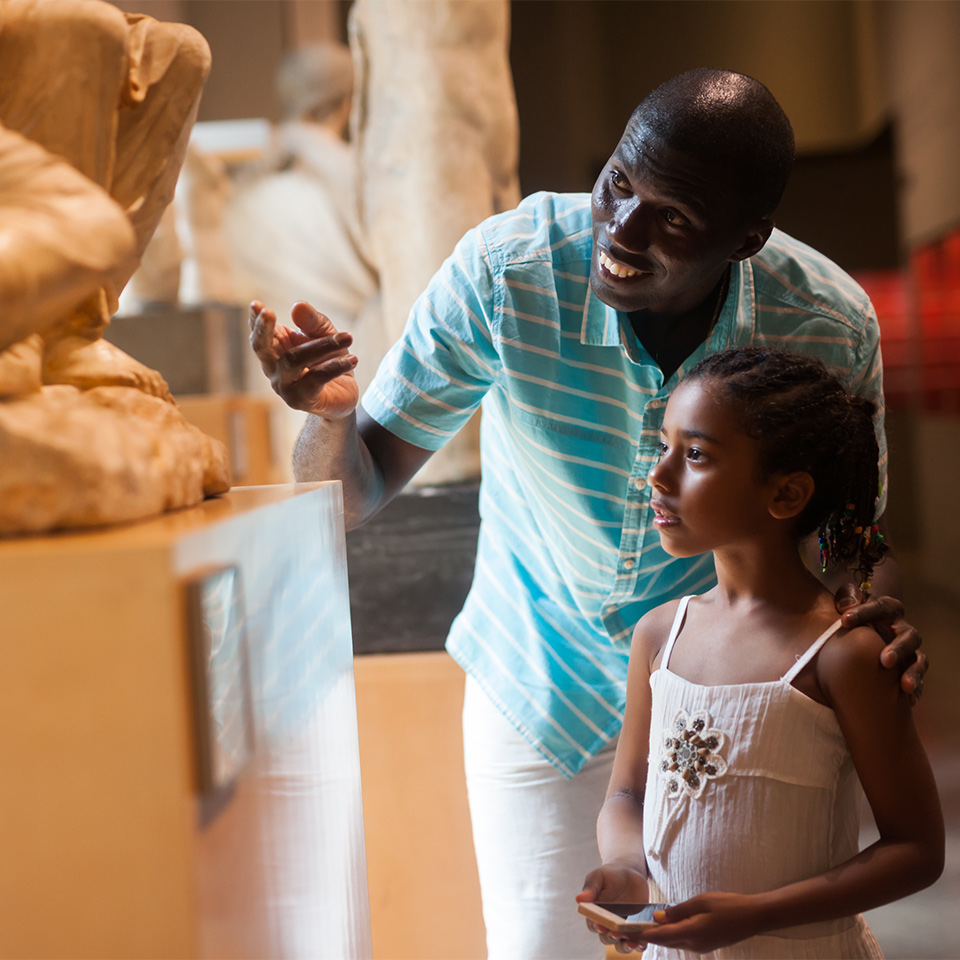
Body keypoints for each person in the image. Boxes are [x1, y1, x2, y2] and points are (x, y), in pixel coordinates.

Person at [250, 69, 928, 958]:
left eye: (673, 218)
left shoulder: (826, 322)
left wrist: (860, 613)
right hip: (540, 675)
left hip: (728, 688)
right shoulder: (508, 270)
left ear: (747, 238)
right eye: (618, 184)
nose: (621, 231)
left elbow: (846, 522)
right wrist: (329, 420)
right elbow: (349, 493)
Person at [576, 348, 944, 958]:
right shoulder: (658, 635)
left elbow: (917, 851)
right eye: (664, 446)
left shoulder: (843, 655)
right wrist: (624, 863)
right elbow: (628, 795)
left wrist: (758, 915)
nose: (659, 476)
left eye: (694, 455)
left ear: (787, 493)